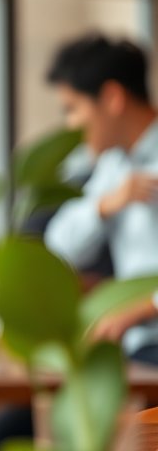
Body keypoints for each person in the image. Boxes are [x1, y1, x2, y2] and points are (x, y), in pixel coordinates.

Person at [44, 34, 158, 362]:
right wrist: (105, 206)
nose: (70, 125)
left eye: (73, 109)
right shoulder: (113, 167)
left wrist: (138, 310)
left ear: (111, 98)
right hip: (135, 350)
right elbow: (59, 252)